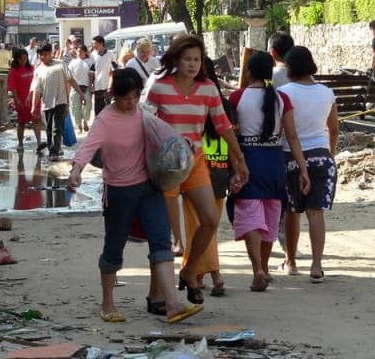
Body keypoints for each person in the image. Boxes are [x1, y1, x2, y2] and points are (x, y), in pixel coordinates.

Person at [67, 69, 203, 324]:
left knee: (161, 242)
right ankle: (108, 304)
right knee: (114, 247)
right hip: (119, 191)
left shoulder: (143, 115)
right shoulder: (105, 120)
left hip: (148, 188)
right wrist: (76, 171)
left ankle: (172, 304)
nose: (131, 102)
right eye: (126, 98)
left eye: (135, 96)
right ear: (114, 96)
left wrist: (182, 148)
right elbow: (87, 148)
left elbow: (163, 140)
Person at [145, 35, 249, 304]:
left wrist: (239, 159)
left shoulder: (208, 89)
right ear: (176, 60)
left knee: (210, 220)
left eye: (197, 59)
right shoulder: (158, 86)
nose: (192, 64)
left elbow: (224, 125)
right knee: (165, 235)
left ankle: (189, 271)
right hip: (165, 167)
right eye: (187, 59)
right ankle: (156, 295)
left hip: (195, 163)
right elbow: (142, 121)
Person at [229, 51, 310, 291]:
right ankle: (263, 266)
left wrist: (234, 167)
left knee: (250, 215)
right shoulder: (281, 98)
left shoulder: (237, 97)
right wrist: (303, 169)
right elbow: (293, 137)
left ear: (249, 72)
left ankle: (257, 269)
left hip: (247, 159)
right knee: (270, 217)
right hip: (274, 162)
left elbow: (230, 135)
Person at [280, 46, 339, 283]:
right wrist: (330, 154)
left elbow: (283, 131)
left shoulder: (283, 93)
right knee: (316, 213)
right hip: (321, 156)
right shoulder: (327, 93)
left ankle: (291, 261)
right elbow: (334, 129)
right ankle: (316, 265)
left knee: (292, 212)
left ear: (290, 68)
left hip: (291, 157)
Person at [183, 57, 232, 296]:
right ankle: (200, 274)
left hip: (197, 170)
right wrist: (237, 167)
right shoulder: (225, 104)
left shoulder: (191, 103)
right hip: (222, 170)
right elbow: (232, 137)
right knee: (209, 224)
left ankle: (214, 274)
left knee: (199, 226)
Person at [29, 44, 85, 158]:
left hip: (61, 102)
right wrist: (33, 107)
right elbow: (37, 90)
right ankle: (52, 148)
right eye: (40, 55)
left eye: (45, 54)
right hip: (46, 104)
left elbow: (71, 80)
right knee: (49, 129)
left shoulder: (60, 65)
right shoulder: (39, 70)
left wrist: (81, 94)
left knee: (56, 128)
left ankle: (55, 151)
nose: (42, 57)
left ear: (51, 53)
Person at [7, 49, 46, 152]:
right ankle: (20, 143)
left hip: (34, 100)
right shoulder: (13, 72)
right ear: (17, 59)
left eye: (25, 58)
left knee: (36, 120)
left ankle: (39, 143)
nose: (24, 61)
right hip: (22, 101)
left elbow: (38, 83)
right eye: (21, 59)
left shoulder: (32, 68)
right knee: (22, 123)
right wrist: (17, 101)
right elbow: (13, 89)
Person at [69, 45, 93, 133]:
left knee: (88, 106)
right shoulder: (73, 62)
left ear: (85, 52)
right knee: (75, 108)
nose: (79, 53)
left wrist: (91, 87)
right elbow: (69, 77)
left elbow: (91, 76)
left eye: (81, 51)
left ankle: (85, 122)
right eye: (78, 51)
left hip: (86, 87)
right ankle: (79, 126)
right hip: (75, 88)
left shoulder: (89, 62)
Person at [91, 35, 117, 115]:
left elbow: (114, 70)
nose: (93, 46)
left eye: (95, 43)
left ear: (101, 43)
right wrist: (92, 85)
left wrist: (111, 85)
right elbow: (92, 71)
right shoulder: (93, 55)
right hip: (97, 86)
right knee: (98, 111)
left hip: (107, 87)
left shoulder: (110, 54)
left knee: (108, 110)